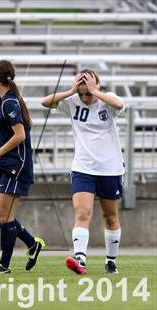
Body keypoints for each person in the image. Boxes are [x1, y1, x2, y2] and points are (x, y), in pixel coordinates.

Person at [41, 69, 124, 275]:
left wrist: (95, 91)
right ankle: (80, 259)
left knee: (110, 216)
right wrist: (71, 90)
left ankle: (111, 260)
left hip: (110, 168)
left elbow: (120, 105)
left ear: (97, 86)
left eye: (88, 92)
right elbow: (45, 102)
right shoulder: (72, 101)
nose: (85, 97)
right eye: (82, 92)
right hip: (83, 168)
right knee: (82, 212)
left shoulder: (107, 100)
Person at [0, 59, 45, 274]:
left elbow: (19, 135)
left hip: (16, 165)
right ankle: (32, 243)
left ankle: (4, 265)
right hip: (2, 165)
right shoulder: (2, 101)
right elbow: (1, 138)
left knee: (5, 217)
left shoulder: (10, 102)